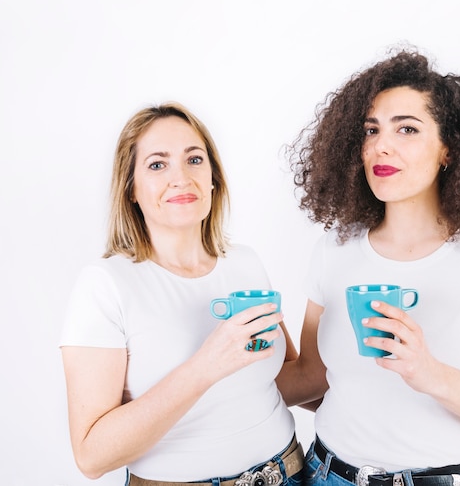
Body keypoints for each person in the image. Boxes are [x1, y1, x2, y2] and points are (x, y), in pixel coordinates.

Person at [277, 48, 460, 486]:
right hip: (329, 475)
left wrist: (429, 374)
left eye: (406, 128)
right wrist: (251, 353)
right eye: (371, 130)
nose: (381, 145)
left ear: (448, 149)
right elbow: (313, 377)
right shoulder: (335, 247)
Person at [60, 102, 304, 486]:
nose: (181, 178)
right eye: (157, 165)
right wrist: (206, 366)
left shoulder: (245, 263)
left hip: (289, 472)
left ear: (212, 179)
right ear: (132, 190)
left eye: (194, 159)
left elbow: (284, 378)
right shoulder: (104, 285)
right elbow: (92, 457)